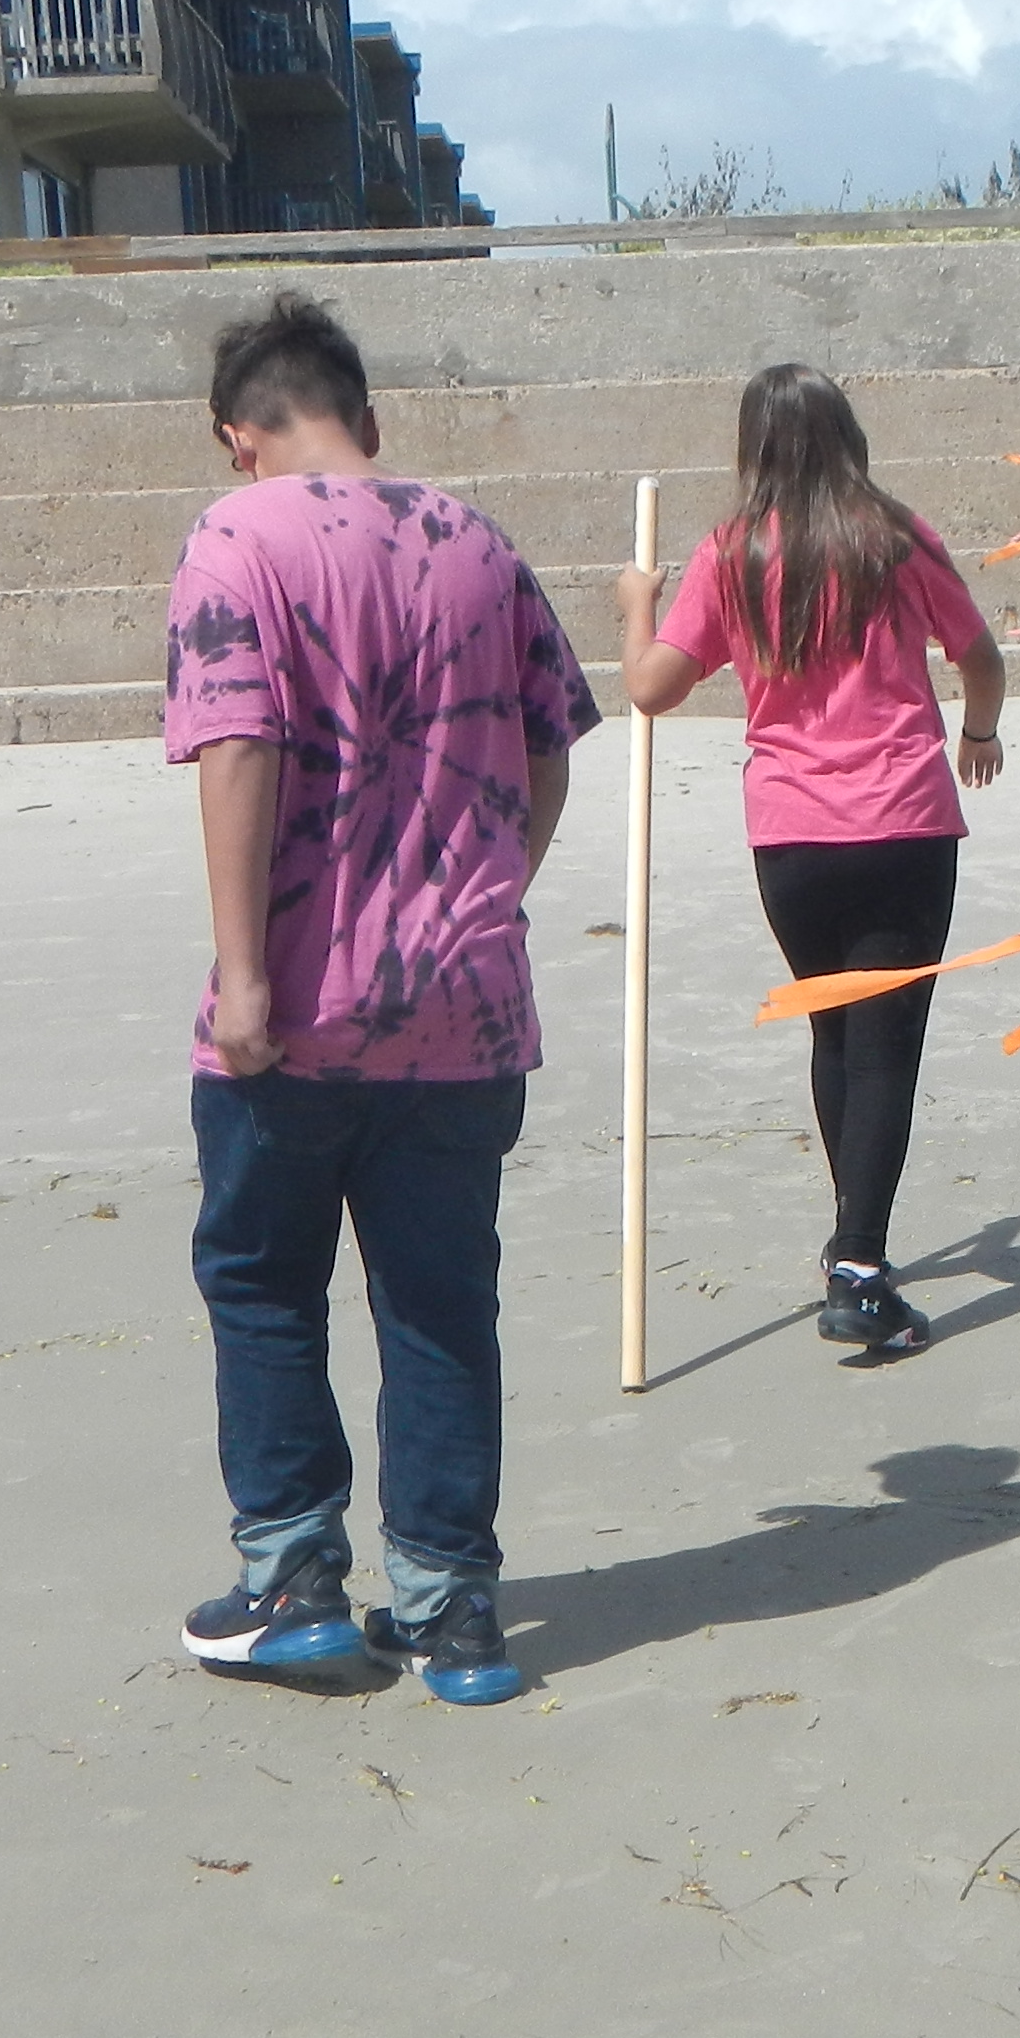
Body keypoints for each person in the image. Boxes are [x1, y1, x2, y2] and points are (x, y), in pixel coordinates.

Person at [168, 292, 597, 1706]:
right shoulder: (481, 543)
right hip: (465, 1005)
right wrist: (490, 895)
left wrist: (242, 975)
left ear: (242, 436)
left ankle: (296, 1580)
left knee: (263, 1279)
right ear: (366, 415)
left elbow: (239, 746)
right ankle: (451, 1610)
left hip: (299, 1002)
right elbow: (548, 757)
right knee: (437, 1305)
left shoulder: (241, 536)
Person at [613, 362, 1006, 1362]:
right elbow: (978, 651)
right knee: (884, 1045)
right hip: (899, 819)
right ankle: (861, 1272)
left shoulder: (732, 552)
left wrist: (637, 605)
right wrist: (981, 730)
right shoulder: (894, 538)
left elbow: (650, 685)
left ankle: (850, 1241)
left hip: (790, 835)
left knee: (836, 1032)